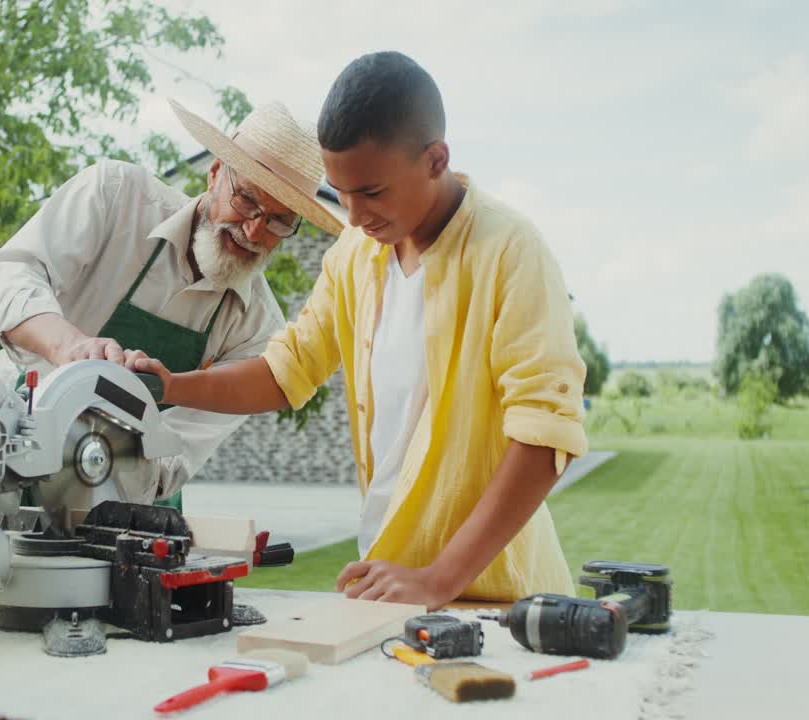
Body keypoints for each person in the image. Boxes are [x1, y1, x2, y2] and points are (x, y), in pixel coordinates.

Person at [132, 52, 587, 609]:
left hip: (496, 601)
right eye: (342, 194)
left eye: (371, 193)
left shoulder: (511, 251)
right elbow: (284, 372)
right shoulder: (355, 256)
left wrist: (439, 579)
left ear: (436, 159)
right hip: (388, 589)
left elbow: (544, 437)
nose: (353, 216)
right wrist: (171, 386)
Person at [0, 100, 343, 511]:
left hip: (122, 502)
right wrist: (69, 347)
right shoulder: (115, 196)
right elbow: (15, 275)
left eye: (279, 220)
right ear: (214, 174)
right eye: (246, 199)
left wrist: (106, 466)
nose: (253, 230)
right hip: (9, 452)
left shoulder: (258, 332)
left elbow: (173, 456)